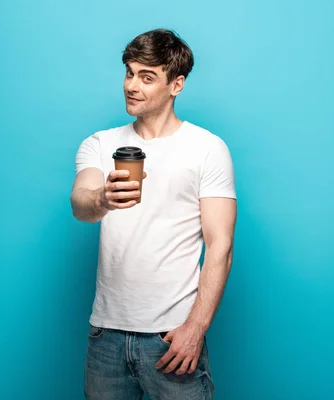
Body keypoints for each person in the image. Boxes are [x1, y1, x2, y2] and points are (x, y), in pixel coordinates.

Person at [70, 28, 237, 400]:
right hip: (105, 337)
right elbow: (80, 203)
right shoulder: (101, 143)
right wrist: (102, 199)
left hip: (172, 337)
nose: (132, 85)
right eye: (130, 73)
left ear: (176, 85)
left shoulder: (207, 149)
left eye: (147, 77)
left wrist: (196, 327)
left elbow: (220, 245)